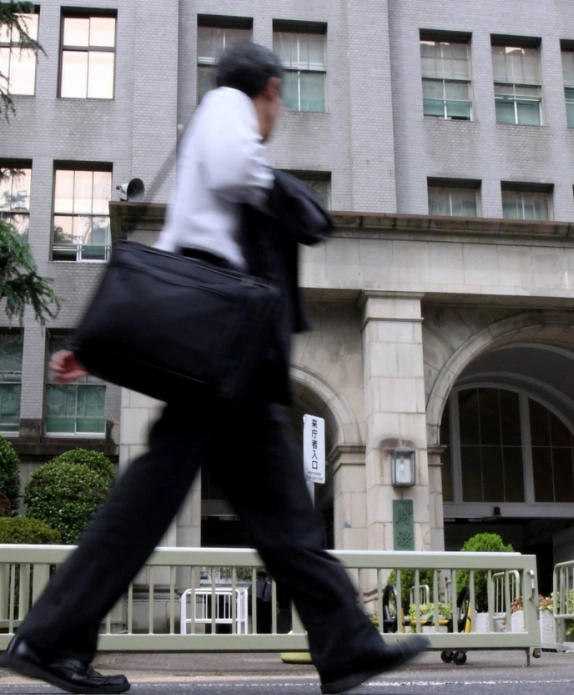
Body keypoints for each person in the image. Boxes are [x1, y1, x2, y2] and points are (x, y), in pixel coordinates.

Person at [0, 43, 426, 694]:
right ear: (271, 90)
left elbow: (174, 248)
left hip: (224, 343)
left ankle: (346, 644)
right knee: (180, 502)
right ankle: (47, 636)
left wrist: (96, 344)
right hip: (223, 342)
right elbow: (233, 176)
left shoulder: (212, 125)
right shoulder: (227, 107)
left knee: (273, 508)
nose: (274, 116)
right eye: (278, 102)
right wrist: (288, 195)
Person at [254, 570, 274, 634]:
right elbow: (272, 596)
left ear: (259, 577)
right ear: (264, 577)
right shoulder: (269, 586)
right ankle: (266, 634)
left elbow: (249, 594)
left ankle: (258, 633)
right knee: (266, 622)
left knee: (258, 621)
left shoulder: (254, 585)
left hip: (257, 605)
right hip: (266, 605)